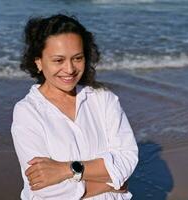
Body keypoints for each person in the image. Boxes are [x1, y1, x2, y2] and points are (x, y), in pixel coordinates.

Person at [11, 14, 138, 200]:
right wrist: (109, 183)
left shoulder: (103, 99)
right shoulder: (28, 112)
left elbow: (127, 160)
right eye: (58, 60)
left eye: (77, 58)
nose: (69, 69)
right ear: (38, 62)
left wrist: (66, 170)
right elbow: (43, 191)